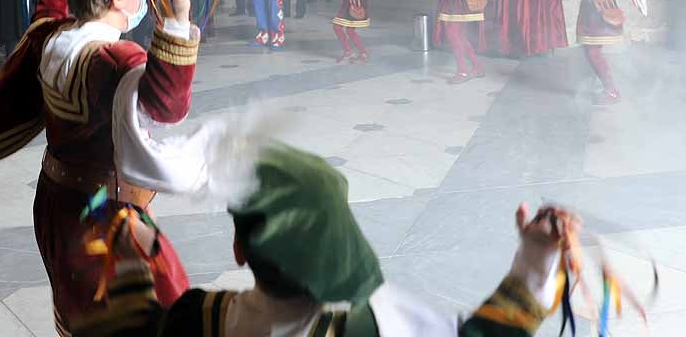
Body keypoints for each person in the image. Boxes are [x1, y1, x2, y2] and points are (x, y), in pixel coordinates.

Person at [0, 0, 202, 334]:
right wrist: (175, 19)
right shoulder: (115, 57)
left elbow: (54, 8)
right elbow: (168, 108)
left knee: (82, 311)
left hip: (56, 200)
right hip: (103, 215)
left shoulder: (53, 35)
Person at [91, 141, 569, 337]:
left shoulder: (199, 318)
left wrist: (133, 261)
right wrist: (535, 262)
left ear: (239, 250)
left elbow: (137, 331)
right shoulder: (368, 330)